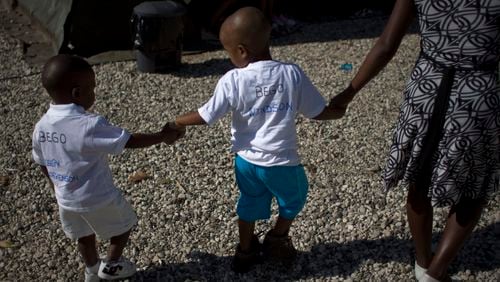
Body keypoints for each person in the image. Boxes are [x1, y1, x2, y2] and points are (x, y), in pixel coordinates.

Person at [331, 0, 499, 281]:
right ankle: (436, 272)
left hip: (426, 89)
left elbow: (386, 44)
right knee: (474, 187)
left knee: (418, 178)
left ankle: (423, 264)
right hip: (477, 93)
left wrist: (348, 94)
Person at [174, 7, 345, 273]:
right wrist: (337, 110)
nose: (229, 58)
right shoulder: (291, 74)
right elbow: (317, 112)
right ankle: (277, 237)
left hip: (245, 162)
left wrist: (177, 121)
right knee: (294, 198)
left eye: (227, 51)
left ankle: (245, 251)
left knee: (249, 202)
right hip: (282, 162)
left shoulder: (232, 80)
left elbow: (206, 115)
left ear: (241, 51)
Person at [32, 54, 185, 281]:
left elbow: (42, 161)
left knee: (83, 236)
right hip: (97, 196)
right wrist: (162, 136)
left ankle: (92, 270)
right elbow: (128, 141)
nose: (94, 93)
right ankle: (112, 265)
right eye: (91, 88)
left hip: (65, 198)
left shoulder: (41, 126)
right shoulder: (89, 125)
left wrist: (55, 186)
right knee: (123, 225)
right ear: (77, 93)